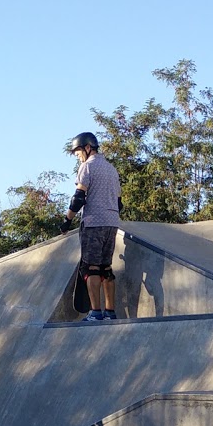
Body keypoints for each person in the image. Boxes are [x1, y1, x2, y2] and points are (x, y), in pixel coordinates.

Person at [63, 132, 122, 321]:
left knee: (92, 268)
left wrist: (67, 220)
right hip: (112, 223)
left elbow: (78, 198)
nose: (78, 157)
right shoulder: (111, 169)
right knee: (106, 268)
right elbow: (119, 203)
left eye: (78, 152)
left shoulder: (87, 167)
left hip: (94, 223)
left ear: (88, 148)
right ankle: (110, 312)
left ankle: (96, 312)